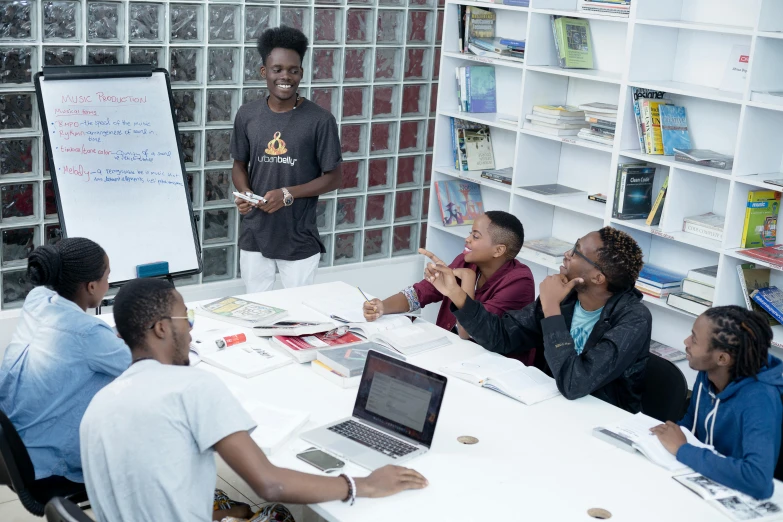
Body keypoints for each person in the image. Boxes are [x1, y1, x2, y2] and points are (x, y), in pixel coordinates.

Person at [80, 278, 428, 522]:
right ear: (160, 328)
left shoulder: (99, 404)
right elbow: (269, 483)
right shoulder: (192, 387)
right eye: (186, 318)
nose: (190, 329)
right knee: (281, 514)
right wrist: (363, 484)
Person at [424, 227, 650, 413]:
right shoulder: (567, 297)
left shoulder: (633, 319)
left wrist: (551, 308)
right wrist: (457, 294)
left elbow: (575, 383)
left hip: (601, 419)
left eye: (576, 251)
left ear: (598, 277)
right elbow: (500, 336)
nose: (567, 254)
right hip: (550, 407)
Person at [0, 238, 130, 489]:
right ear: (92, 286)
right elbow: (141, 365)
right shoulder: (89, 334)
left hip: (11, 452)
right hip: (48, 469)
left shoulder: (37, 299)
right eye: (107, 277)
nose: (109, 283)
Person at [231, 25, 342, 293]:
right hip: (255, 233)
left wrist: (287, 194)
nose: (285, 76)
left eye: (293, 70)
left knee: (298, 316)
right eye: (277, 69)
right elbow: (238, 166)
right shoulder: (247, 115)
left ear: (301, 73)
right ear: (264, 72)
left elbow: (335, 177)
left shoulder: (320, 120)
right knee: (256, 310)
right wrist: (245, 195)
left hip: (298, 238)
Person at [651, 306, 783, 499]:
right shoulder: (709, 374)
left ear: (722, 358)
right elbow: (691, 423)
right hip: (699, 479)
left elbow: (758, 480)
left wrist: (682, 449)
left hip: (736, 496)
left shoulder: (760, 399)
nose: (686, 342)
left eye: (694, 340)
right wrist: (664, 439)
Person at [363, 211, 534, 347]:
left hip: (491, 365)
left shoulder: (519, 282)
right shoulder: (466, 260)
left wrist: (467, 281)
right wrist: (383, 306)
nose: (467, 239)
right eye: (470, 233)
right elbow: (422, 292)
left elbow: (468, 332)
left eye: (475, 236)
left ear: (498, 250)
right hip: (451, 349)